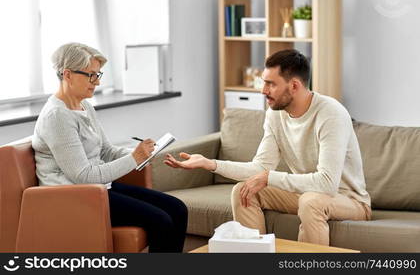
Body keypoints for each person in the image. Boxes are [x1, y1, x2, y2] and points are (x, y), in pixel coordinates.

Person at [165, 49, 371, 246]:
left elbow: (327, 184)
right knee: (244, 191)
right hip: (306, 193)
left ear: (294, 86)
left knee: (311, 202)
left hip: (349, 200)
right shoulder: (275, 114)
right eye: (264, 83)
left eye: (271, 84)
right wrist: (210, 164)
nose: (263, 91)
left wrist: (269, 177)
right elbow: (260, 168)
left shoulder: (331, 113)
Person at [32, 42, 187, 252]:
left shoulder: (84, 105)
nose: (96, 82)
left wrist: (145, 153)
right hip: (72, 197)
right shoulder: (57, 116)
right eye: (90, 75)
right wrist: (134, 158)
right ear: (67, 74)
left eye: (98, 75)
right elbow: (83, 175)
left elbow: (106, 150)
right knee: (161, 221)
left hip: (97, 189)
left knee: (177, 209)